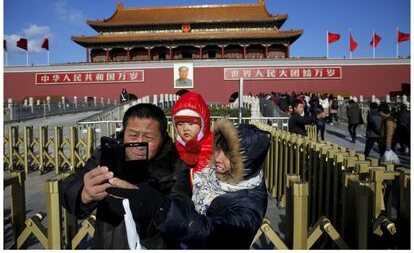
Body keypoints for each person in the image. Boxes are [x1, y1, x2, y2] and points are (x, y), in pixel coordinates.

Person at [106, 119, 270, 249]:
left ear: (247, 163)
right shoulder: (212, 175)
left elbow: (210, 233)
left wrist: (161, 208)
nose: (218, 158)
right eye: (218, 149)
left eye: (229, 156)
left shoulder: (248, 207)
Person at [60, 103, 191, 249]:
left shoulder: (175, 167)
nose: (139, 142)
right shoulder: (106, 157)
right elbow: (69, 185)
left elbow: (183, 216)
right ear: (124, 133)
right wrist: (84, 193)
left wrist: (151, 205)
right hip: (108, 244)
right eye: (133, 135)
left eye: (148, 137)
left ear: (163, 137)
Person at [171, 91, 213, 180]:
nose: (185, 128)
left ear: (202, 124)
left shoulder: (216, 146)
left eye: (191, 124)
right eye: (180, 124)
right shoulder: (173, 149)